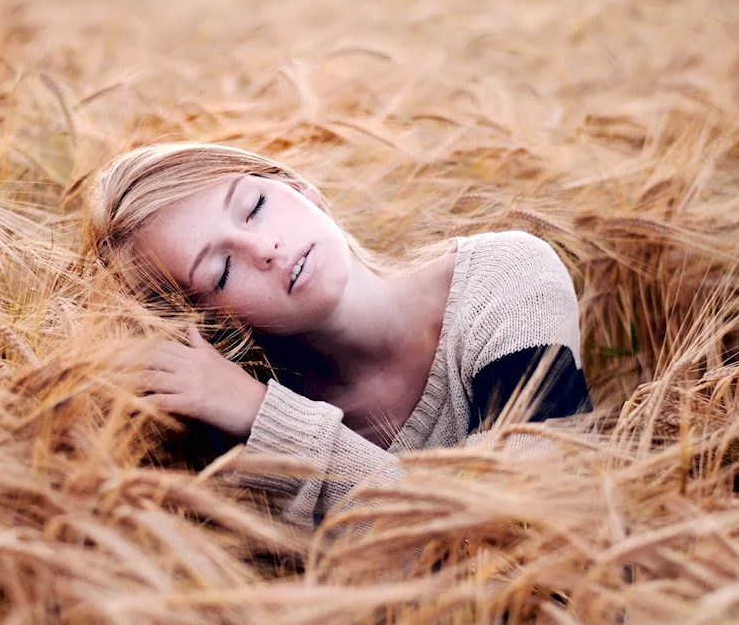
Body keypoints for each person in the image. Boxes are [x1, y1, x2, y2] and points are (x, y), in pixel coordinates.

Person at [84, 142, 589, 531]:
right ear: (216, 325)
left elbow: (521, 537)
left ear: (302, 189)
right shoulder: (236, 453)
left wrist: (268, 420)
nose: (264, 248)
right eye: (221, 271)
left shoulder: (504, 279)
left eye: (255, 205)